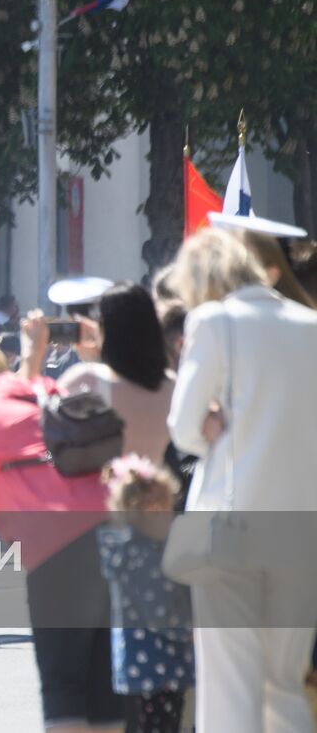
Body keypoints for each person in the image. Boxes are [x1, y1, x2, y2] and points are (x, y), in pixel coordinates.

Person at [0, 333, 121, 733]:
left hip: (57, 554)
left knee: (63, 683)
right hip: (112, 536)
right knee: (103, 683)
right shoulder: (44, 391)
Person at [166, 228, 317, 732]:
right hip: (301, 531)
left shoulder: (213, 320)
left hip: (231, 531)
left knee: (230, 689)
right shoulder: (309, 323)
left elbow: (184, 430)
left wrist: (209, 422)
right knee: (284, 686)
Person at [95, 455, 193, 733]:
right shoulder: (149, 556)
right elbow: (161, 611)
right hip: (160, 665)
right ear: (152, 509)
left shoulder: (121, 549)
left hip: (134, 665)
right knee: (163, 726)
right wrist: (188, 630)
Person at [56, 283, 176, 466]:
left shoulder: (87, 379)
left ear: (105, 329)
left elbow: (44, 440)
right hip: (156, 490)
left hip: (101, 492)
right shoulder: (172, 385)